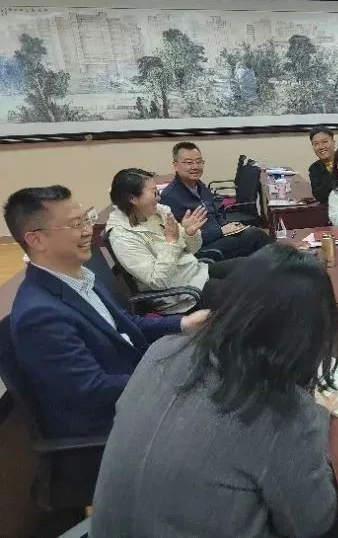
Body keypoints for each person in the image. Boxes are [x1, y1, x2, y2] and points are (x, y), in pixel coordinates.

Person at [90, 246, 338, 538]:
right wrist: (318, 416)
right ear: (311, 333)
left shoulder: (162, 351)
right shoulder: (282, 409)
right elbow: (312, 523)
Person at [3, 186, 208, 438]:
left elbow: (125, 324)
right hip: (114, 423)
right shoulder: (39, 315)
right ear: (36, 240)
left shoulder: (78, 275)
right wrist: (168, 378)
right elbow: (92, 391)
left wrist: (184, 323)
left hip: (136, 381)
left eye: (86, 219)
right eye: (75, 224)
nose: (88, 230)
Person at [106, 169, 250, 313]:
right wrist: (170, 243)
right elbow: (158, 281)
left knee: (252, 268)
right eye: (154, 193)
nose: (159, 198)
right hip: (181, 294)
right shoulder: (122, 236)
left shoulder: (159, 212)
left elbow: (192, 250)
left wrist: (189, 234)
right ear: (132, 198)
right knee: (246, 294)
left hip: (195, 271)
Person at [159, 142, 273, 260]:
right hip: (201, 249)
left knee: (252, 234)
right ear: (175, 165)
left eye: (199, 162)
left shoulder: (200, 186)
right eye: (189, 163)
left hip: (219, 236)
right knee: (255, 236)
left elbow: (216, 213)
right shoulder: (170, 197)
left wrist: (228, 226)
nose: (195, 167)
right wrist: (221, 231)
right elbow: (180, 239)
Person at [308, 126, 336, 204]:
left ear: (333, 142)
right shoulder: (314, 168)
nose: (321, 147)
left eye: (325, 142)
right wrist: (331, 169)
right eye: (316, 144)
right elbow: (319, 196)